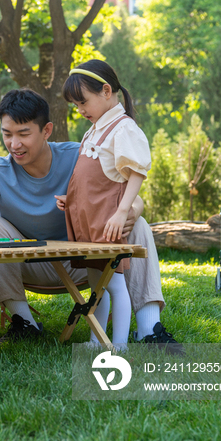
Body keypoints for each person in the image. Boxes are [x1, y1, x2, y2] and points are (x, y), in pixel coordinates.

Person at [0, 87, 182, 353]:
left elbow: (127, 193)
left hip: (86, 260)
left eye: (23, 134)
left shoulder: (80, 155)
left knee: (139, 224)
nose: (14, 144)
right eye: (7, 134)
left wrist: (133, 209)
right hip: (30, 263)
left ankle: (150, 329)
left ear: (46, 131)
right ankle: (24, 323)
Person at [54, 59, 151, 349]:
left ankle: (118, 344)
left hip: (106, 224)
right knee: (98, 285)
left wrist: (123, 212)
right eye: (75, 105)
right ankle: (99, 339)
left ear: (106, 91)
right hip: (89, 223)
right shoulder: (94, 129)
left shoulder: (123, 129)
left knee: (115, 284)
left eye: (83, 102)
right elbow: (93, 179)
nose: (80, 110)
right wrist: (71, 201)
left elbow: (136, 172)